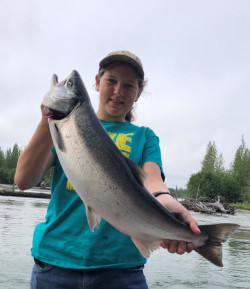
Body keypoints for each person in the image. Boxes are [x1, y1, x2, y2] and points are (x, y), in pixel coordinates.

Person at [15, 50, 200, 289]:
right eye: (111, 81)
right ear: (97, 82)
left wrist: (166, 201)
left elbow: (153, 181)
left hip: (121, 271)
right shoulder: (64, 127)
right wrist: (47, 118)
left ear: (139, 93)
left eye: (128, 85)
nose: (118, 91)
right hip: (55, 264)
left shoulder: (145, 137)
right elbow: (22, 180)